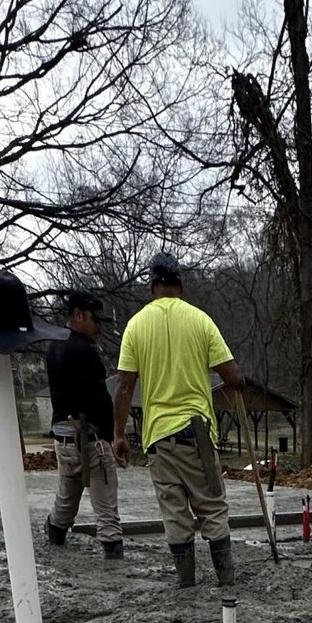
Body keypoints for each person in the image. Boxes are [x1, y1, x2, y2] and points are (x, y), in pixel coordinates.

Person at [111, 251, 244, 587]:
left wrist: (119, 435)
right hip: (197, 433)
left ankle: (186, 583)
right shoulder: (201, 321)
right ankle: (226, 580)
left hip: (158, 437)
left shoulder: (136, 326)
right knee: (212, 508)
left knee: (174, 514)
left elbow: (124, 388)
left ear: (152, 286)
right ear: (180, 286)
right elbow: (231, 377)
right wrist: (237, 380)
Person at [45, 288, 123, 559]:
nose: (99, 327)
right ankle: (114, 560)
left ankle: (54, 540)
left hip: (64, 437)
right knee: (106, 508)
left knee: (66, 501)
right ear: (78, 315)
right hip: (90, 439)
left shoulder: (54, 347)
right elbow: (100, 400)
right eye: (95, 320)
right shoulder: (84, 352)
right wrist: (111, 437)